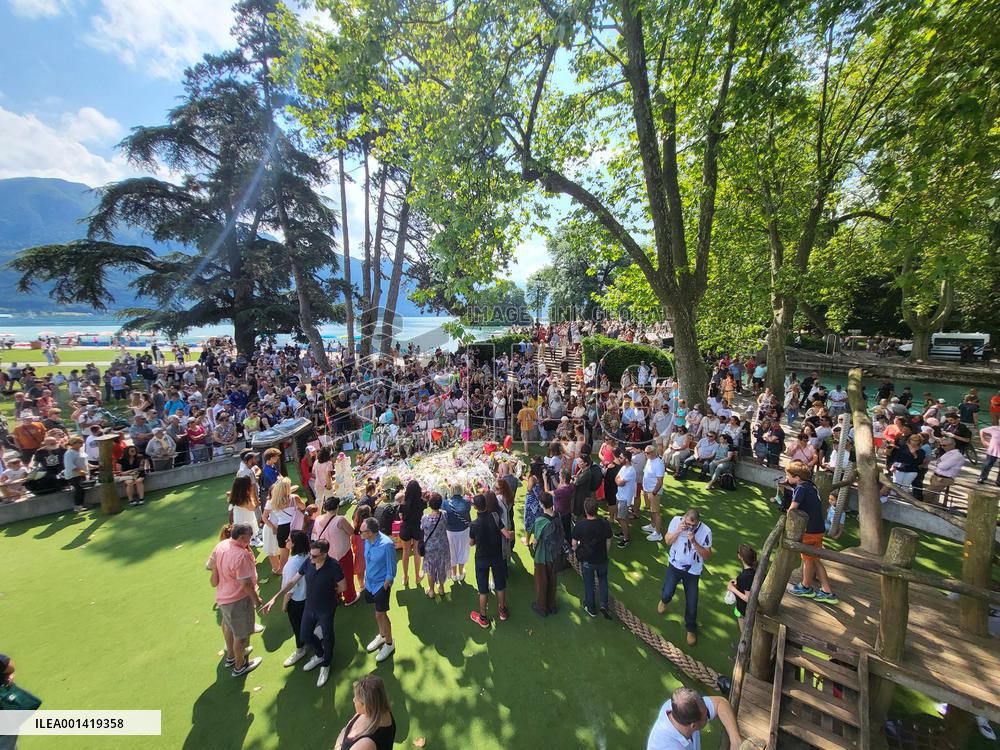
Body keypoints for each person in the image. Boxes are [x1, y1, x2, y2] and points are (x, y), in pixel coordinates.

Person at [263, 538, 345, 688]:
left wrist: (329, 591)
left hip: (326, 609)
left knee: (328, 636)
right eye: (310, 554)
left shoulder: (334, 566)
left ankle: (326, 664)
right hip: (310, 607)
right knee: (305, 634)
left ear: (325, 554)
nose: (311, 558)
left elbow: (343, 587)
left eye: (315, 556)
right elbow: (293, 581)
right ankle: (320, 655)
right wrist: (275, 598)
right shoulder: (308, 562)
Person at [205, 523, 263, 677]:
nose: (251, 539)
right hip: (238, 600)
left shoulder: (222, 545)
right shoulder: (241, 555)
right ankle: (240, 666)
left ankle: (231, 656)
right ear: (243, 537)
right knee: (242, 636)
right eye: (249, 537)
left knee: (229, 627)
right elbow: (246, 583)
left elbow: (209, 566)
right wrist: (256, 600)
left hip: (223, 598)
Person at [657, 508, 713, 646]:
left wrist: (694, 541)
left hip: (693, 571)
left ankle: (690, 629)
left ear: (699, 522)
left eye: (694, 525)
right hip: (675, 565)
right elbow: (667, 541)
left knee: (692, 603)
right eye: (688, 524)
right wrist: (677, 531)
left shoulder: (706, 531)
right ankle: (664, 600)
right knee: (667, 593)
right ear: (684, 518)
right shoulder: (676, 521)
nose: (691, 527)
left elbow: (707, 556)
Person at [785, 460, 839, 604]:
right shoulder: (811, 485)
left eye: (789, 476)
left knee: (809, 560)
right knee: (814, 560)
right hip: (819, 528)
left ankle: (807, 587)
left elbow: (793, 507)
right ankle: (824, 590)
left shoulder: (800, 488)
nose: (787, 479)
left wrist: (787, 515)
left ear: (797, 477)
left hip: (809, 530)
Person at [646, 687, 742, 750]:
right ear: (693, 725)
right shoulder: (667, 746)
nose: (709, 713)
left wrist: (735, 741)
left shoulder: (679, 706)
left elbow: (720, 703)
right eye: (707, 715)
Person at [469, 493, 511, 628]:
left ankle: (483, 618)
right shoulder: (495, 517)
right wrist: (512, 533)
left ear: (475, 508)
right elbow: (506, 534)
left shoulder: (474, 524)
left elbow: (471, 543)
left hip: (482, 558)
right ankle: (503, 611)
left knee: (483, 589)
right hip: (497, 556)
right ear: (486, 505)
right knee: (500, 584)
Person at [360, 517, 397, 662]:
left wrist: (387, 582)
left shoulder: (387, 544)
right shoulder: (367, 541)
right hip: (369, 583)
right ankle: (382, 636)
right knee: (377, 614)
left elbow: (391, 566)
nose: (359, 533)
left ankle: (389, 643)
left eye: (362, 531)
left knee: (380, 615)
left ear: (369, 532)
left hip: (381, 585)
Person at [312, 496, 358, 606]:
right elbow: (352, 531)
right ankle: (350, 597)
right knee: (347, 575)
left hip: (326, 555)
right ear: (337, 507)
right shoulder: (340, 520)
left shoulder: (318, 519)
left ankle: (335, 598)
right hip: (343, 553)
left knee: (332, 579)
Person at [273, 530, 310, 669]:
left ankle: (300, 649)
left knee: (297, 625)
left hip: (298, 600)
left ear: (295, 544)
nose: (285, 541)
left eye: (288, 540)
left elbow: (290, 588)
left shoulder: (292, 563)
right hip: (310, 597)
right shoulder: (309, 555)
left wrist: (284, 603)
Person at [572, 498, 613, 618]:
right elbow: (609, 541)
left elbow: (574, 544)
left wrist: (577, 549)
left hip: (587, 561)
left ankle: (590, 608)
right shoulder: (605, 524)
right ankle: (604, 605)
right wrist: (605, 553)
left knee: (589, 583)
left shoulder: (580, 525)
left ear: (585, 510)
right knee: (603, 580)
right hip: (602, 559)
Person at [333, 674, 397, 750]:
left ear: (366, 705)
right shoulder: (379, 709)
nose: (354, 700)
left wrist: (339, 742)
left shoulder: (366, 744)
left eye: (356, 699)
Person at [527, 491, 563, 616]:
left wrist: (532, 547)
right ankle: (551, 604)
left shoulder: (540, 521)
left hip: (542, 555)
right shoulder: (557, 515)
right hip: (555, 554)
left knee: (541, 581)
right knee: (552, 579)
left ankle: (542, 607)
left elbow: (536, 540)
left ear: (541, 504)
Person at [262, 477, 303, 575]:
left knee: (284, 555)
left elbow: (264, 517)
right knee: (300, 551)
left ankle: (282, 573)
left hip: (282, 530)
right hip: (294, 527)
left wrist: (273, 527)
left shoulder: (272, 502)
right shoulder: (294, 497)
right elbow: (302, 507)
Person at [420, 492, 450, 598]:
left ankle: (431, 590)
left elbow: (422, 529)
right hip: (442, 545)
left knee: (430, 568)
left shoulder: (425, 518)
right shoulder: (444, 515)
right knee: (442, 566)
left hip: (430, 547)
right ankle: (441, 588)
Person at [398, 480, 426, 587]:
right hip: (417, 528)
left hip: (406, 528)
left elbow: (401, 516)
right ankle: (417, 576)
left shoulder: (403, 503)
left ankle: (405, 576)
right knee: (416, 552)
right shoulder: (422, 502)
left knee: (405, 552)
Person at [443, 484, 472, 582]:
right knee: (463, 551)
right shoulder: (467, 502)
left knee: (452, 552)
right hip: (464, 530)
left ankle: (454, 573)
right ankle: (460, 571)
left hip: (450, 531)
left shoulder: (445, 503)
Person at [726, 544, 757, 633]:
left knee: (745, 632)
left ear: (741, 557)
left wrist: (732, 589)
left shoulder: (746, 576)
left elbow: (748, 598)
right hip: (748, 609)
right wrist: (737, 583)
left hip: (745, 610)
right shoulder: (754, 569)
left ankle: (744, 646)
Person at [925, 435, 965, 505]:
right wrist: (938, 462)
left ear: (952, 445)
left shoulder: (956, 456)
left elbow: (943, 466)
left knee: (927, 495)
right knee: (933, 497)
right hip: (936, 476)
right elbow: (938, 461)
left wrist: (938, 463)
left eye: (944, 445)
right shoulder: (947, 453)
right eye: (941, 445)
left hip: (943, 479)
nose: (942, 447)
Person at [640, 444, 665, 542]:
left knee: (656, 512)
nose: (645, 454)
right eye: (645, 452)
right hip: (647, 490)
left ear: (654, 453)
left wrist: (654, 492)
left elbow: (660, 481)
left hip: (653, 492)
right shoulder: (649, 460)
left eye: (648, 452)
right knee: (651, 510)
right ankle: (652, 526)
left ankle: (658, 533)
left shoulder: (659, 464)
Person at [614, 448, 637, 549]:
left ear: (626, 459)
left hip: (624, 499)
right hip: (619, 496)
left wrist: (619, 481)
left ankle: (626, 538)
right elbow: (617, 478)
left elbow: (619, 482)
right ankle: (624, 533)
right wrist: (619, 480)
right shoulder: (623, 468)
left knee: (621, 518)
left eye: (621, 457)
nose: (619, 459)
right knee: (622, 517)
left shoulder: (631, 471)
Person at [63, 435, 89, 512]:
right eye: (80, 442)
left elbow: (85, 461)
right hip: (74, 475)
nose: (82, 444)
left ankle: (81, 504)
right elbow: (70, 465)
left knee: (82, 489)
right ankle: (77, 506)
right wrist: (81, 471)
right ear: (73, 443)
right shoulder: (69, 453)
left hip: (82, 474)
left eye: (82, 442)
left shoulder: (80, 451)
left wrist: (94, 466)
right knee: (79, 489)